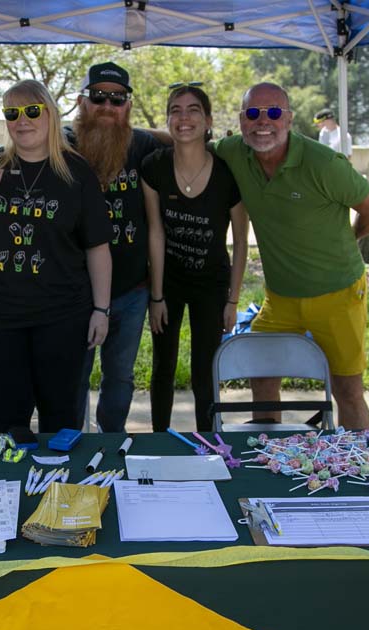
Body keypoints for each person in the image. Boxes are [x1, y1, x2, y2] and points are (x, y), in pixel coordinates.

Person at [213, 83, 369, 430]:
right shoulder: (234, 152)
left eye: (274, 113)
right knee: (261, 375)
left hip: (338, 293)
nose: (263, 121)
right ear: (241, 120)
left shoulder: (324, 163)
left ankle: (362, 468)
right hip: (280, 299)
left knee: (347, 389)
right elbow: (187, 142)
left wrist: (350, 239)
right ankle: (267, 453)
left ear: (290, 119)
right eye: (253, 113)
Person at [0, 80, 113, 434]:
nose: (21, 120)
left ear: (50, 114)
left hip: (62, 314)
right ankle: (12, 488)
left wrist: (101, 309)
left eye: (31, 111)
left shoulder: (77, 172)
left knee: (60, 417)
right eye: (12, 112)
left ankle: (58, 488)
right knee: (9, 419)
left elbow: (98, 247)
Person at [141, 84, 248, 432]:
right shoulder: (153, 167)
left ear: (208, 121)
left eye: (193, 110)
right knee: (163, 367)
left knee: (204, 371)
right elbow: (155, 233)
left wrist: (232, 299)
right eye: (175, 110)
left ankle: (208, 447)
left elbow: (241, 242)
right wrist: (156, 296)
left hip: (211, 283)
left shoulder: (227, 173)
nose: (183, 118)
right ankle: (158, 441)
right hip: (168, 281)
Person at [68, 61, 166, 433]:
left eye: (118, 99)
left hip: (131, 290)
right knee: (73, 375)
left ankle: (110, 442)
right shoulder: (64, 143)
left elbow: (190, 138)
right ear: (82, 102)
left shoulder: (142, 145)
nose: (108, 106)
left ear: (128, 105)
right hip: (76, 291)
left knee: (120, 377)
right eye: (99, 97)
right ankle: (72, 442)